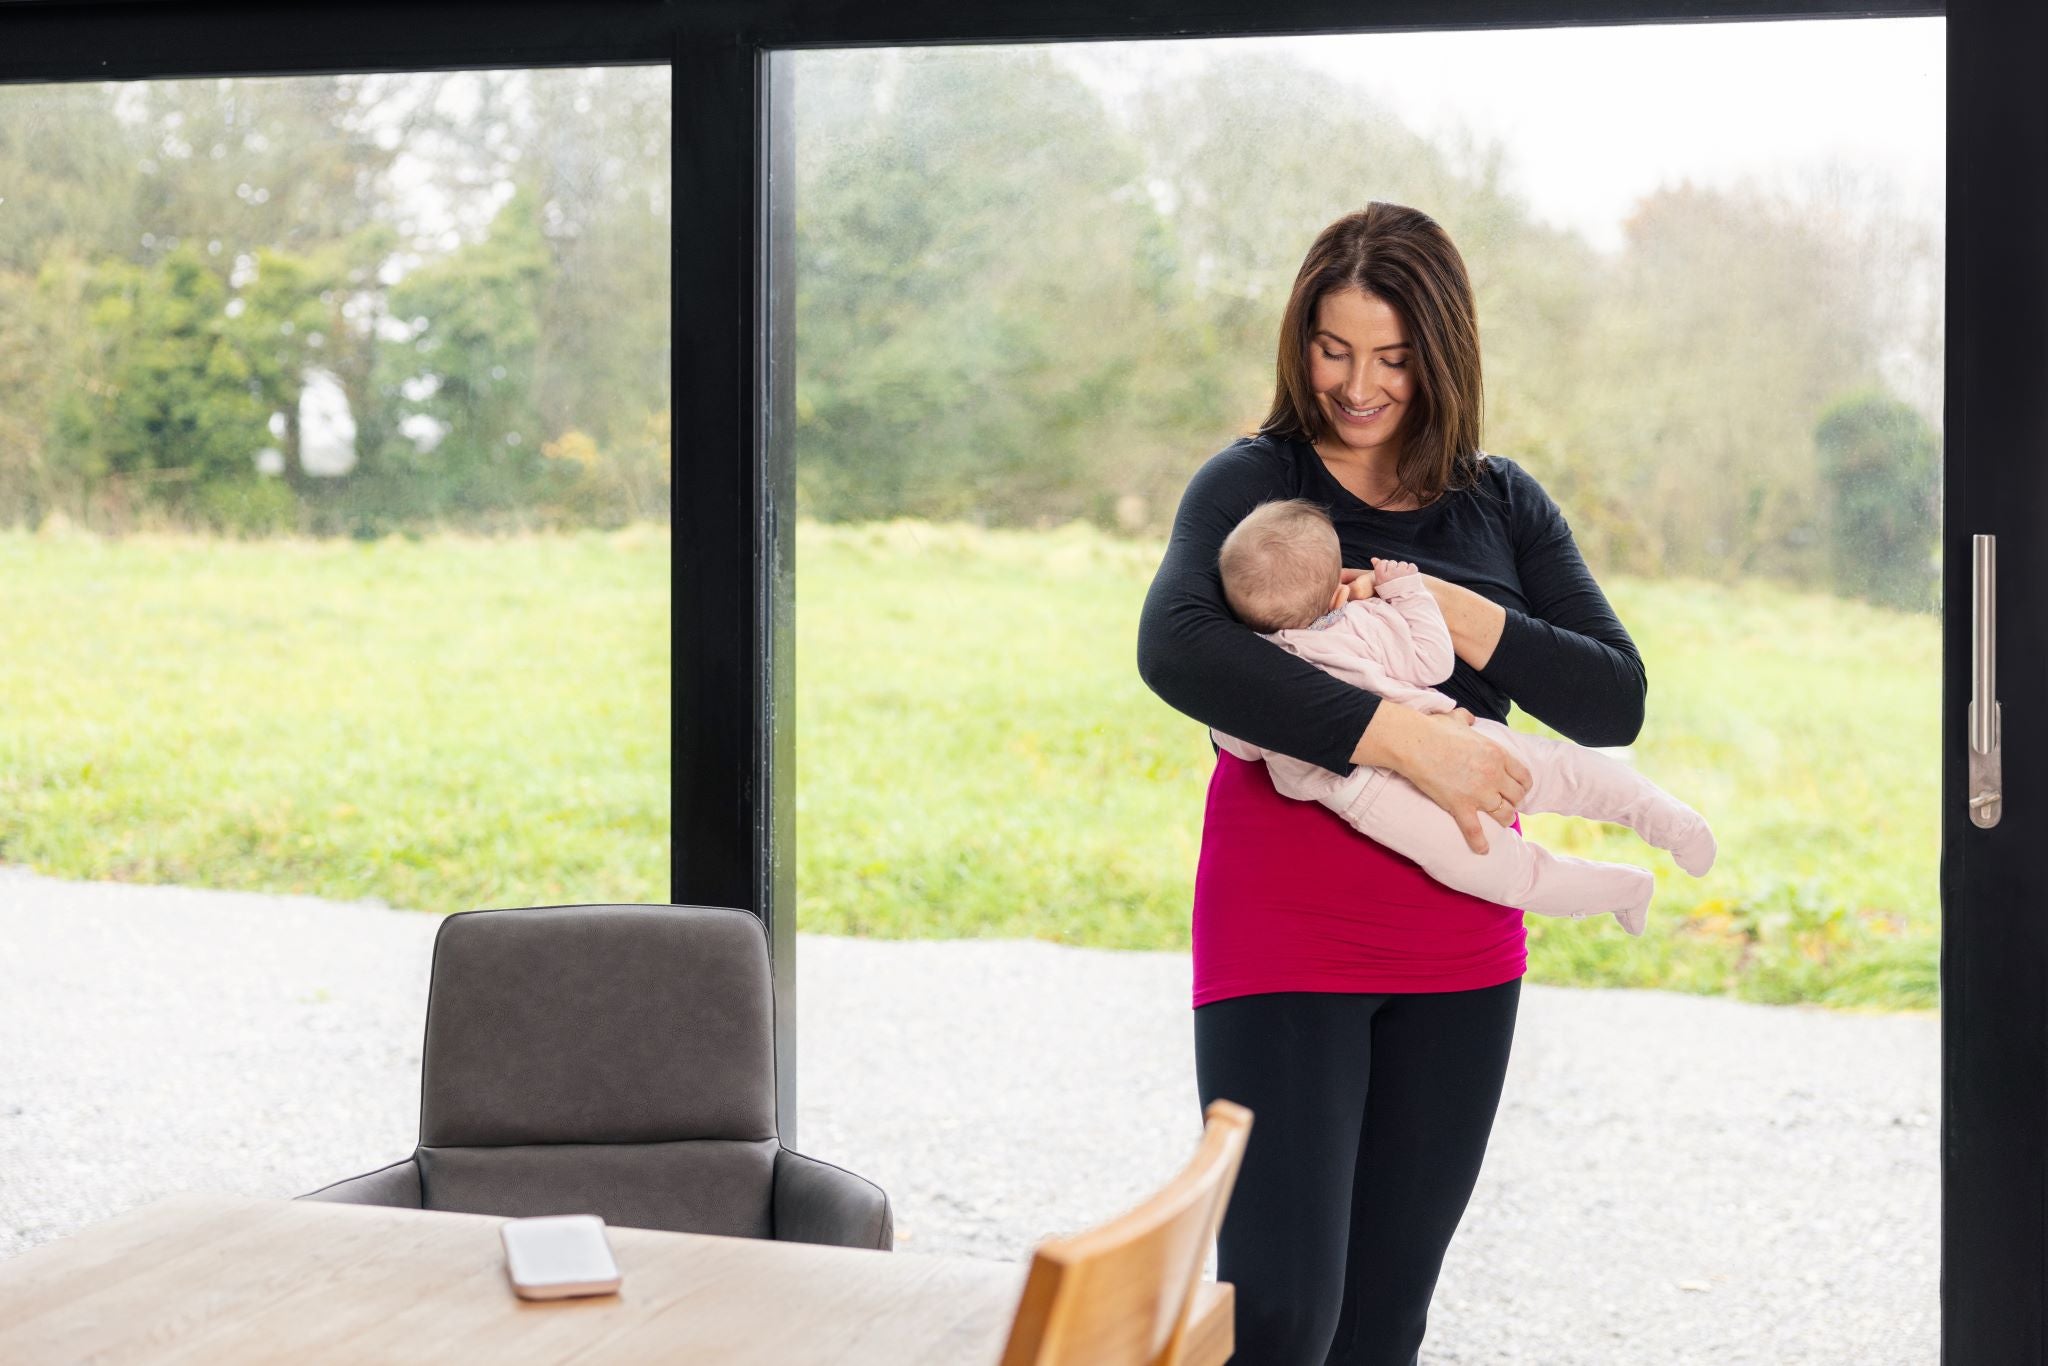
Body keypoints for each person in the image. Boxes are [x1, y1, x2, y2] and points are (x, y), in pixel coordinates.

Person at [1135, 201, 1647, 1365]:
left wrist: (1469, 618)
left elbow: (1611, 698)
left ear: (1441, 356)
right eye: (1331, 349)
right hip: (1284, 940)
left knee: (1382, 1323)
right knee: (1276, 1317)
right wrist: (1401, 738)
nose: (1356, 385)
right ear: (1297, 342)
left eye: (1391, 358)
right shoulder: (1248, 484)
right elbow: (1176, 649)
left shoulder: (1499, 504)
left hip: (1460, 948)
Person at [1209, 496, 1716, 937]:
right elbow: (1433, 662)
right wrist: (1407, 593)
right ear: (1340, 590)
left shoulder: (1254, 672)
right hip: (1455, 725)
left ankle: (1622, 889)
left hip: (1375, 795)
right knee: (1562, 770)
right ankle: (1668, 820)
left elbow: (1239, 740)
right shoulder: (1365, 621)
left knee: (1511, 874)